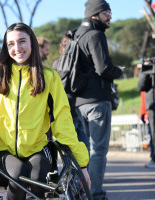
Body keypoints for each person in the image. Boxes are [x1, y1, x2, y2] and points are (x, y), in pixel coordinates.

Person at [0, 22, 90, 200]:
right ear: (6, 49)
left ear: (31, 43)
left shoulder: (49, 77)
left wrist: (81, 164)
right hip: (3, 149)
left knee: (39, 177)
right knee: (18, 175)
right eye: (11, 44)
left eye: (22, 41)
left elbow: (62, 119)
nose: (17, 48)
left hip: (37, 147)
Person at [74, 1, 123, 199]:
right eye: (106, 12)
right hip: (97, 101)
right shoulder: (96, 35)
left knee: (84, 150)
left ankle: (82, 191)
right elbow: (103, 68)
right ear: (95, 14)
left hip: (79, 102)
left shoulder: (77, 35)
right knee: (98, 150)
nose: (110, 16)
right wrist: (119, 71)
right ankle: (96, 193)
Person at [52, 33, 89, 149]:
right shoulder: (80, 62)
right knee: (82, 144)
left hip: (69, 108)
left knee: (72, 146)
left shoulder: (56, 64)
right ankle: (83, 167)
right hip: (75, 107)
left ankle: (78, 167)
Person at [138, 68, 155, 168]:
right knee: (152, 135)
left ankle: (153, 159)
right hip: (151, 106)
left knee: (153, 135)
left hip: (151, 106)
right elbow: (143, 90)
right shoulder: (148, 68)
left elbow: (142, 88)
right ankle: (153, 158)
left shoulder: (148, 68)